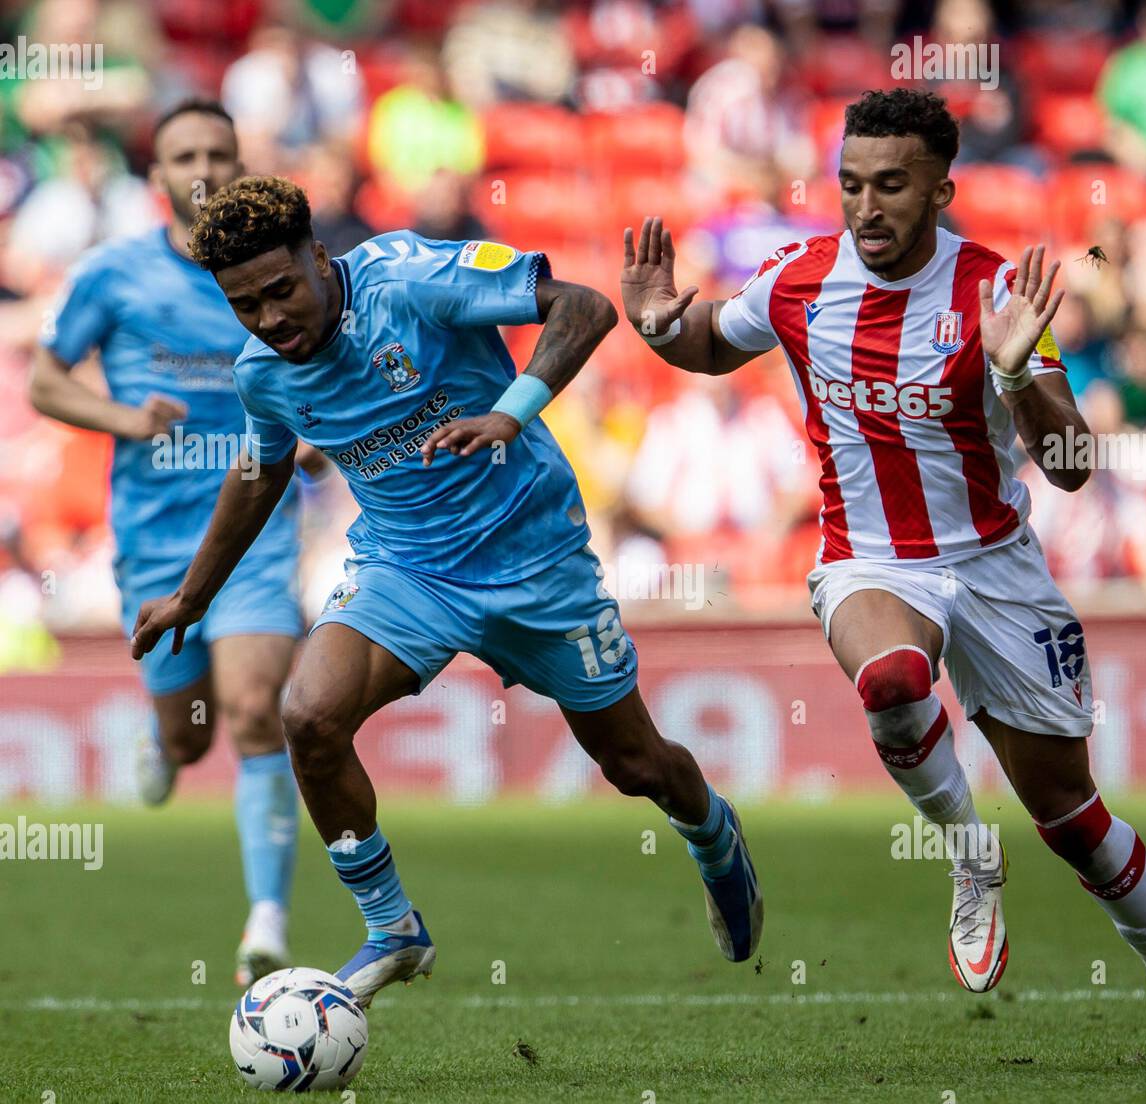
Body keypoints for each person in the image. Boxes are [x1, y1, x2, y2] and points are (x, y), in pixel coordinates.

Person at [619, 87, 1146, 1068]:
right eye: (850, 185)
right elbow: (710, 343)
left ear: (942, 192)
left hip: (995, 571)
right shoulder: (796, 282)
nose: (865, 208)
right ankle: (966, 850)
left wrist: (1011, 376)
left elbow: (1074, 465)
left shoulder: (998, 298)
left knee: (1075, 821)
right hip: (868, 561)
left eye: (891, 187)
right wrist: (660, 323)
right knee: (893, 682)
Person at [130, 175, 763, 1008]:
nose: (271, 320)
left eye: (282, 291)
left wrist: (511, 412)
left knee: (635, 763)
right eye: (247, 307)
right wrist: (193, 596)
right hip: (406, 572)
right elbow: (260, 470)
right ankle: (392, 929)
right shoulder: (264, 375)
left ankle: (713, 836)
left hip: (536, 563)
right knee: (308, 718)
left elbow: (584, 308)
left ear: (320, 258)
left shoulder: (410, 278)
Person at [29, 101, 305, 986]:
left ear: (241, 165)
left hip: (257, 526)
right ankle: (167, 744)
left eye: (220, 152)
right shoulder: (112, 275)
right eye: (184, 152)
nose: (203, 167)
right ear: (156, 177)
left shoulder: (279, 269)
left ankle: (265, 920)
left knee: (260, 705)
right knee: (189, 739)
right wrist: (123, 418)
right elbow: (43, 379)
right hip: (156, 542)